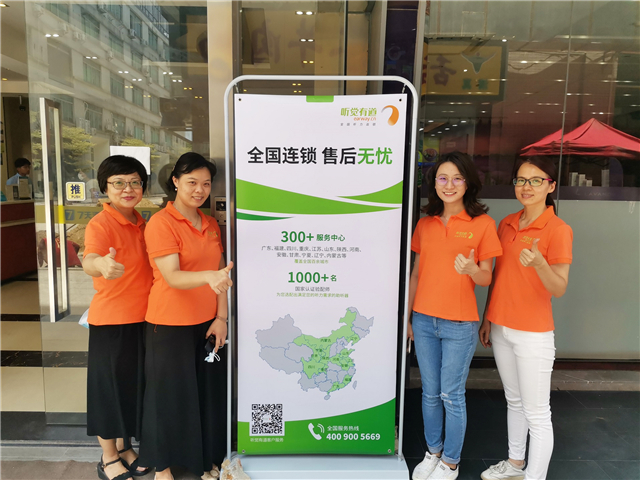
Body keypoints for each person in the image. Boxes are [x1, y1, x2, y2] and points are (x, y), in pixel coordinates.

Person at [408, 152, 503, 480]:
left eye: (457, 178)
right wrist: (408, 318)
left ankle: (450, 462)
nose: (449, 185)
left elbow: (487, 277)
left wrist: (472, 269)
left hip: (459, 324)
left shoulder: (483, 224)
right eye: (442, 178)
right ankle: (433, 452)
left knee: (452, 394)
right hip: (423, 320)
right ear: (434, 183)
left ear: (468, 183)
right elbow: (416, 274)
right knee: (429, 393)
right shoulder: (425, 223)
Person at [139, 153, 233, 480]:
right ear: (175, 182)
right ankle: (163, 467)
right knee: (168, 398)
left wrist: (221, 318)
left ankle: (204, 462)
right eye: (192, 182)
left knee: (206, 396)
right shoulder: (161, 223)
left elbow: (222, 275)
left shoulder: (209, 223)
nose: (199, 190)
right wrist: (209, 276)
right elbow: (173, 277)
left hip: (206, 324)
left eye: (206, 183)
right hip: (169, 324)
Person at [479, 157, 572, 480]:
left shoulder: (558, 229)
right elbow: (498, 276)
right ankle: (515, 464)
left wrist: (540, 264)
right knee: (514, 401)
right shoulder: (506, 223)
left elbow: (559, 287)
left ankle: (535, 476)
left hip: (533, 334)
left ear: (550, 186)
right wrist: (488, 317)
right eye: (520, 180)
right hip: (501, 326)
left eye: (535, 180)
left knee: (537, 413)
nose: (526, 187)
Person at [82, 155, 153, 480]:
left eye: (135, 182)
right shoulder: (101, 224)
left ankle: (125, 447)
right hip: (111, 323)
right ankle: (108, 457)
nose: (128, 189)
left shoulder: (142, 223)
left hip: (143, 320)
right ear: (105, 188)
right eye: (119, 183)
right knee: (108, 393)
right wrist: (101, 265)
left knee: (130, 389)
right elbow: (91, 258)